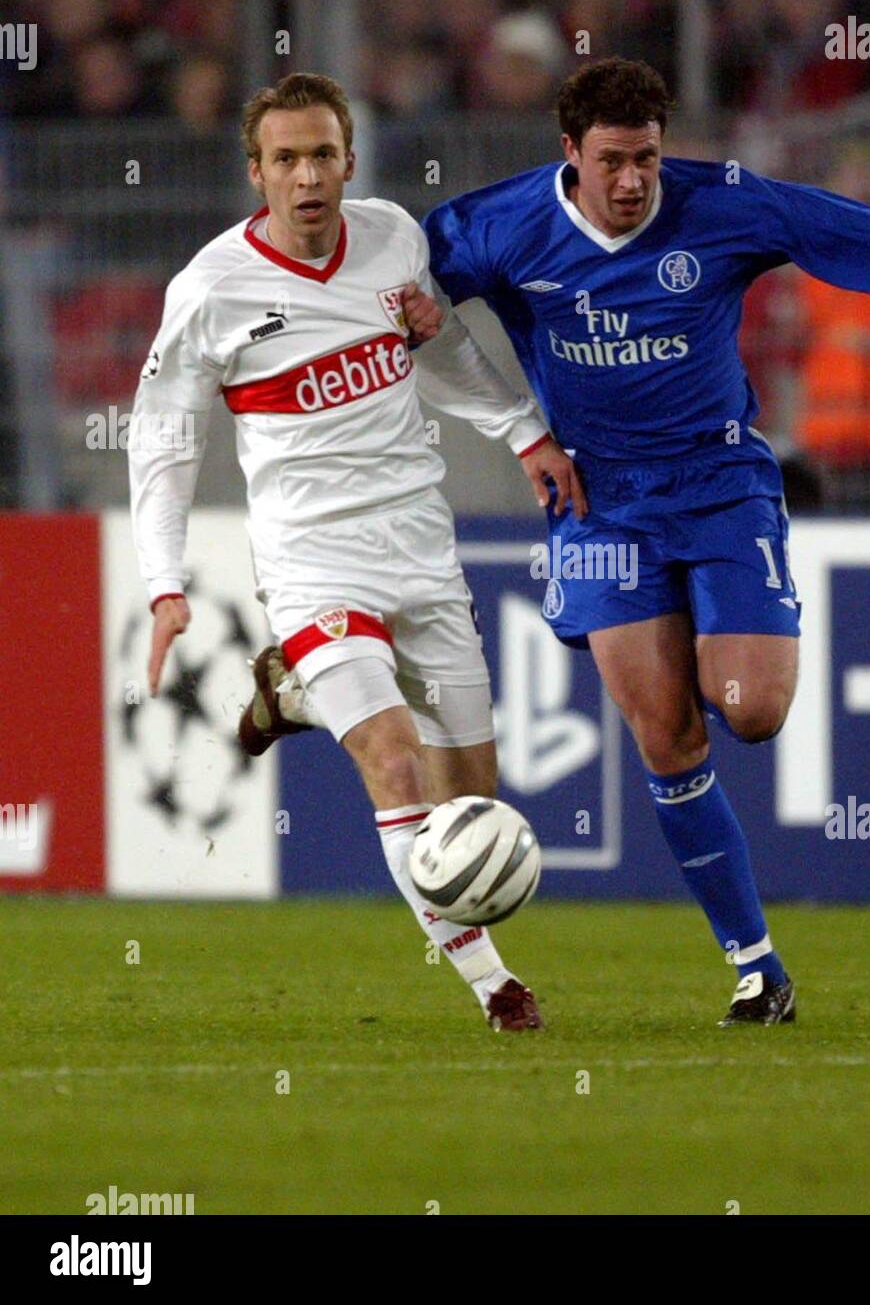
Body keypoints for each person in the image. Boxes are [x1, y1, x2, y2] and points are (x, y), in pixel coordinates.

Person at [252, 57, 870, 1028]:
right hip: (600, 501)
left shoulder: (722, 205)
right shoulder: (497, 227)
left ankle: (721, 616)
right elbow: (380, 292)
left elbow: (864, 238)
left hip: (719, 482)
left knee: (753, 706)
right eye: (610, 160)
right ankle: (755, 967)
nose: (629, 181)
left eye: (646, 158)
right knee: (665, 733)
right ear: (569, 154)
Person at [129, 72, 583, 1032]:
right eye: (285, 159)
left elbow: (445, 345)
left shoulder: (392, 240)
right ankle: (495, 986)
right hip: (312, 559)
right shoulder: (211, 291)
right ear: (257, 172)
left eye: (322, 155)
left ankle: (289, 694)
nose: (307, 177)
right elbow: (163, 440)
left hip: (419, 542)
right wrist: (164, 583)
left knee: (472, 804)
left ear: (348, 161)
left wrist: (524, 432)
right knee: (392, 757)